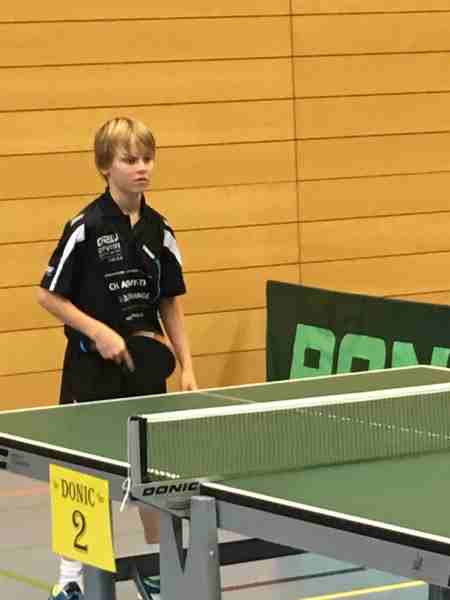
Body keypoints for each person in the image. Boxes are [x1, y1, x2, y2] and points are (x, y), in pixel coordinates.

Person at [38, 117, 197, 600]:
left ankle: (158, 568)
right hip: (90, 371)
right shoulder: (84, 228)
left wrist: (187, 367)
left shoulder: (160, 229)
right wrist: (98, 331)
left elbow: (169, 302)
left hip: (144, 371)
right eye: (130, 160)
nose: (142, 168)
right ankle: (71, 579)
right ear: (106, 166)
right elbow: (48, 296)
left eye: (147, 158)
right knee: (82, 476)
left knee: (153, 474)